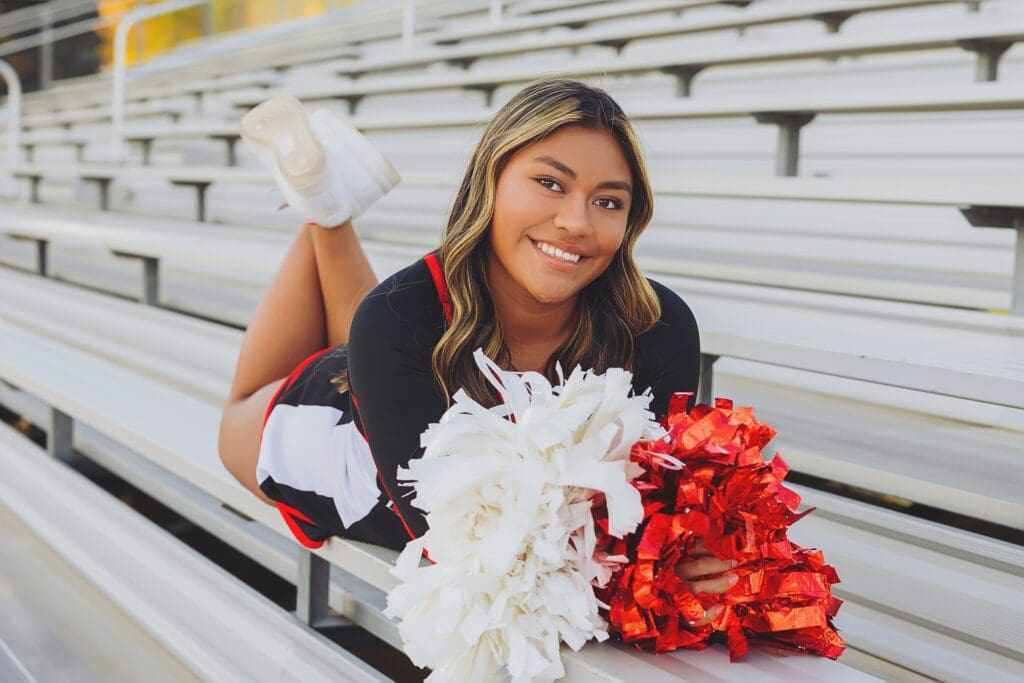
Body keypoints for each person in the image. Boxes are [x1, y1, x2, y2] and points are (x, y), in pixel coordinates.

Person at [218, 77, 734, 627]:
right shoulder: (397, 316)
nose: (576, 223)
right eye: (549, 183)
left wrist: (697, 554)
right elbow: (458, 541)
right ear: (490, 180)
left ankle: (326, 201)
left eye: (608, 201)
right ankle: (323, 209)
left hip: (396, 364)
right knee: (239, 416)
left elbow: (654, 511)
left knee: (381, 326)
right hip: (340, 439)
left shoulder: (658, 325)